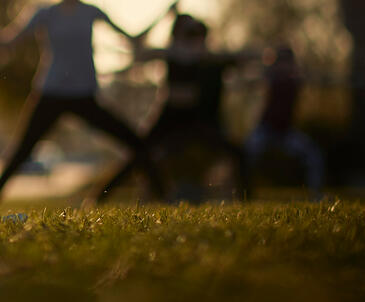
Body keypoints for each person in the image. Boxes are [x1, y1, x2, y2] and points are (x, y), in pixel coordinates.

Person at [0, 0, 167, 208]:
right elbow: (6, 43)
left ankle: (159, 197)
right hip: (51, 93)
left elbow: (133, 39)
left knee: (135, 142)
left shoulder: (90, 11)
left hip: (84, 95)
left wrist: (165, 16)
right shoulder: (45, 13)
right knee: (21, 151)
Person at [98, 14, 253, 201]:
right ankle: (101, 197)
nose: (191, 41)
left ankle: (246, 198)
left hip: (195, 118)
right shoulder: (170, 53)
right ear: (177, 36)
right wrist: (163, 20)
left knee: (235, 151)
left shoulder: (205, 56)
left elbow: (239, 57)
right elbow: (141, 53)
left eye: (194, 36)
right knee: (140, 152)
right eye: (187, 35)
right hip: (169, 117)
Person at [244, 45, 324, 197]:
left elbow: (309, 76)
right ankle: (246, 195)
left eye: (287, 62)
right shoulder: (270, 78)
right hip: (265, 130)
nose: (284, 66)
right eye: (281, 61)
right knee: (248, 152)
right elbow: (258, 77)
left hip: (286, 133)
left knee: (314, 156)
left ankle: (315, 194)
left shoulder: (295, 81)